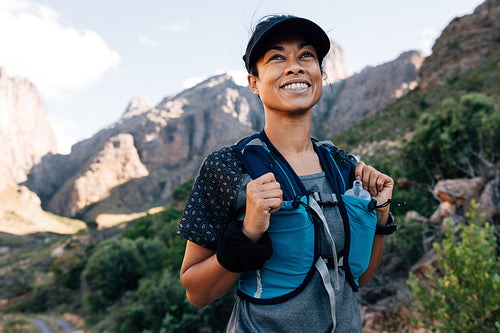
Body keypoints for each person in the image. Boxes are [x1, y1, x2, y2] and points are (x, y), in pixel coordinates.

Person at [177, 15, 395, 332]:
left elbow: (358, 276)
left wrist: (381, 213)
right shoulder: (226, 166)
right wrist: (248, 233)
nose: (295, 66)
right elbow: (196, 292)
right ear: (254, 82)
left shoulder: (344, 165)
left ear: (320, 73)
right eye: (277, 57)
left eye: (306, 55)